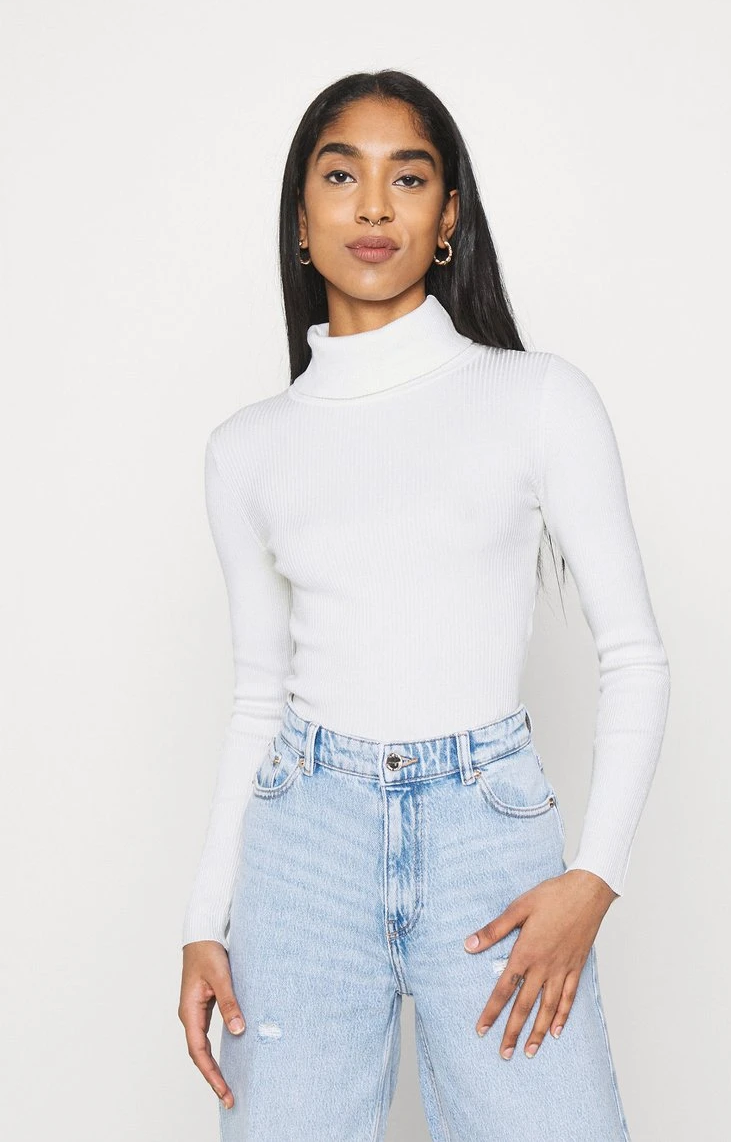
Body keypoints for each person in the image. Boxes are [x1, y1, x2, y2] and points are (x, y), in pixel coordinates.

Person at [177, 69, 670, 1142]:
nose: (371, 205)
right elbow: (258, 696)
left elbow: (633, 652)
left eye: (407, 178)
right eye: (339, 175)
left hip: (487, 837)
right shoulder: (246, 449)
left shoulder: (537, 398)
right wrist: (203, 920)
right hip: (303, 845)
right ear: (299, 218)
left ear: (447, 218)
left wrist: (593, 878)